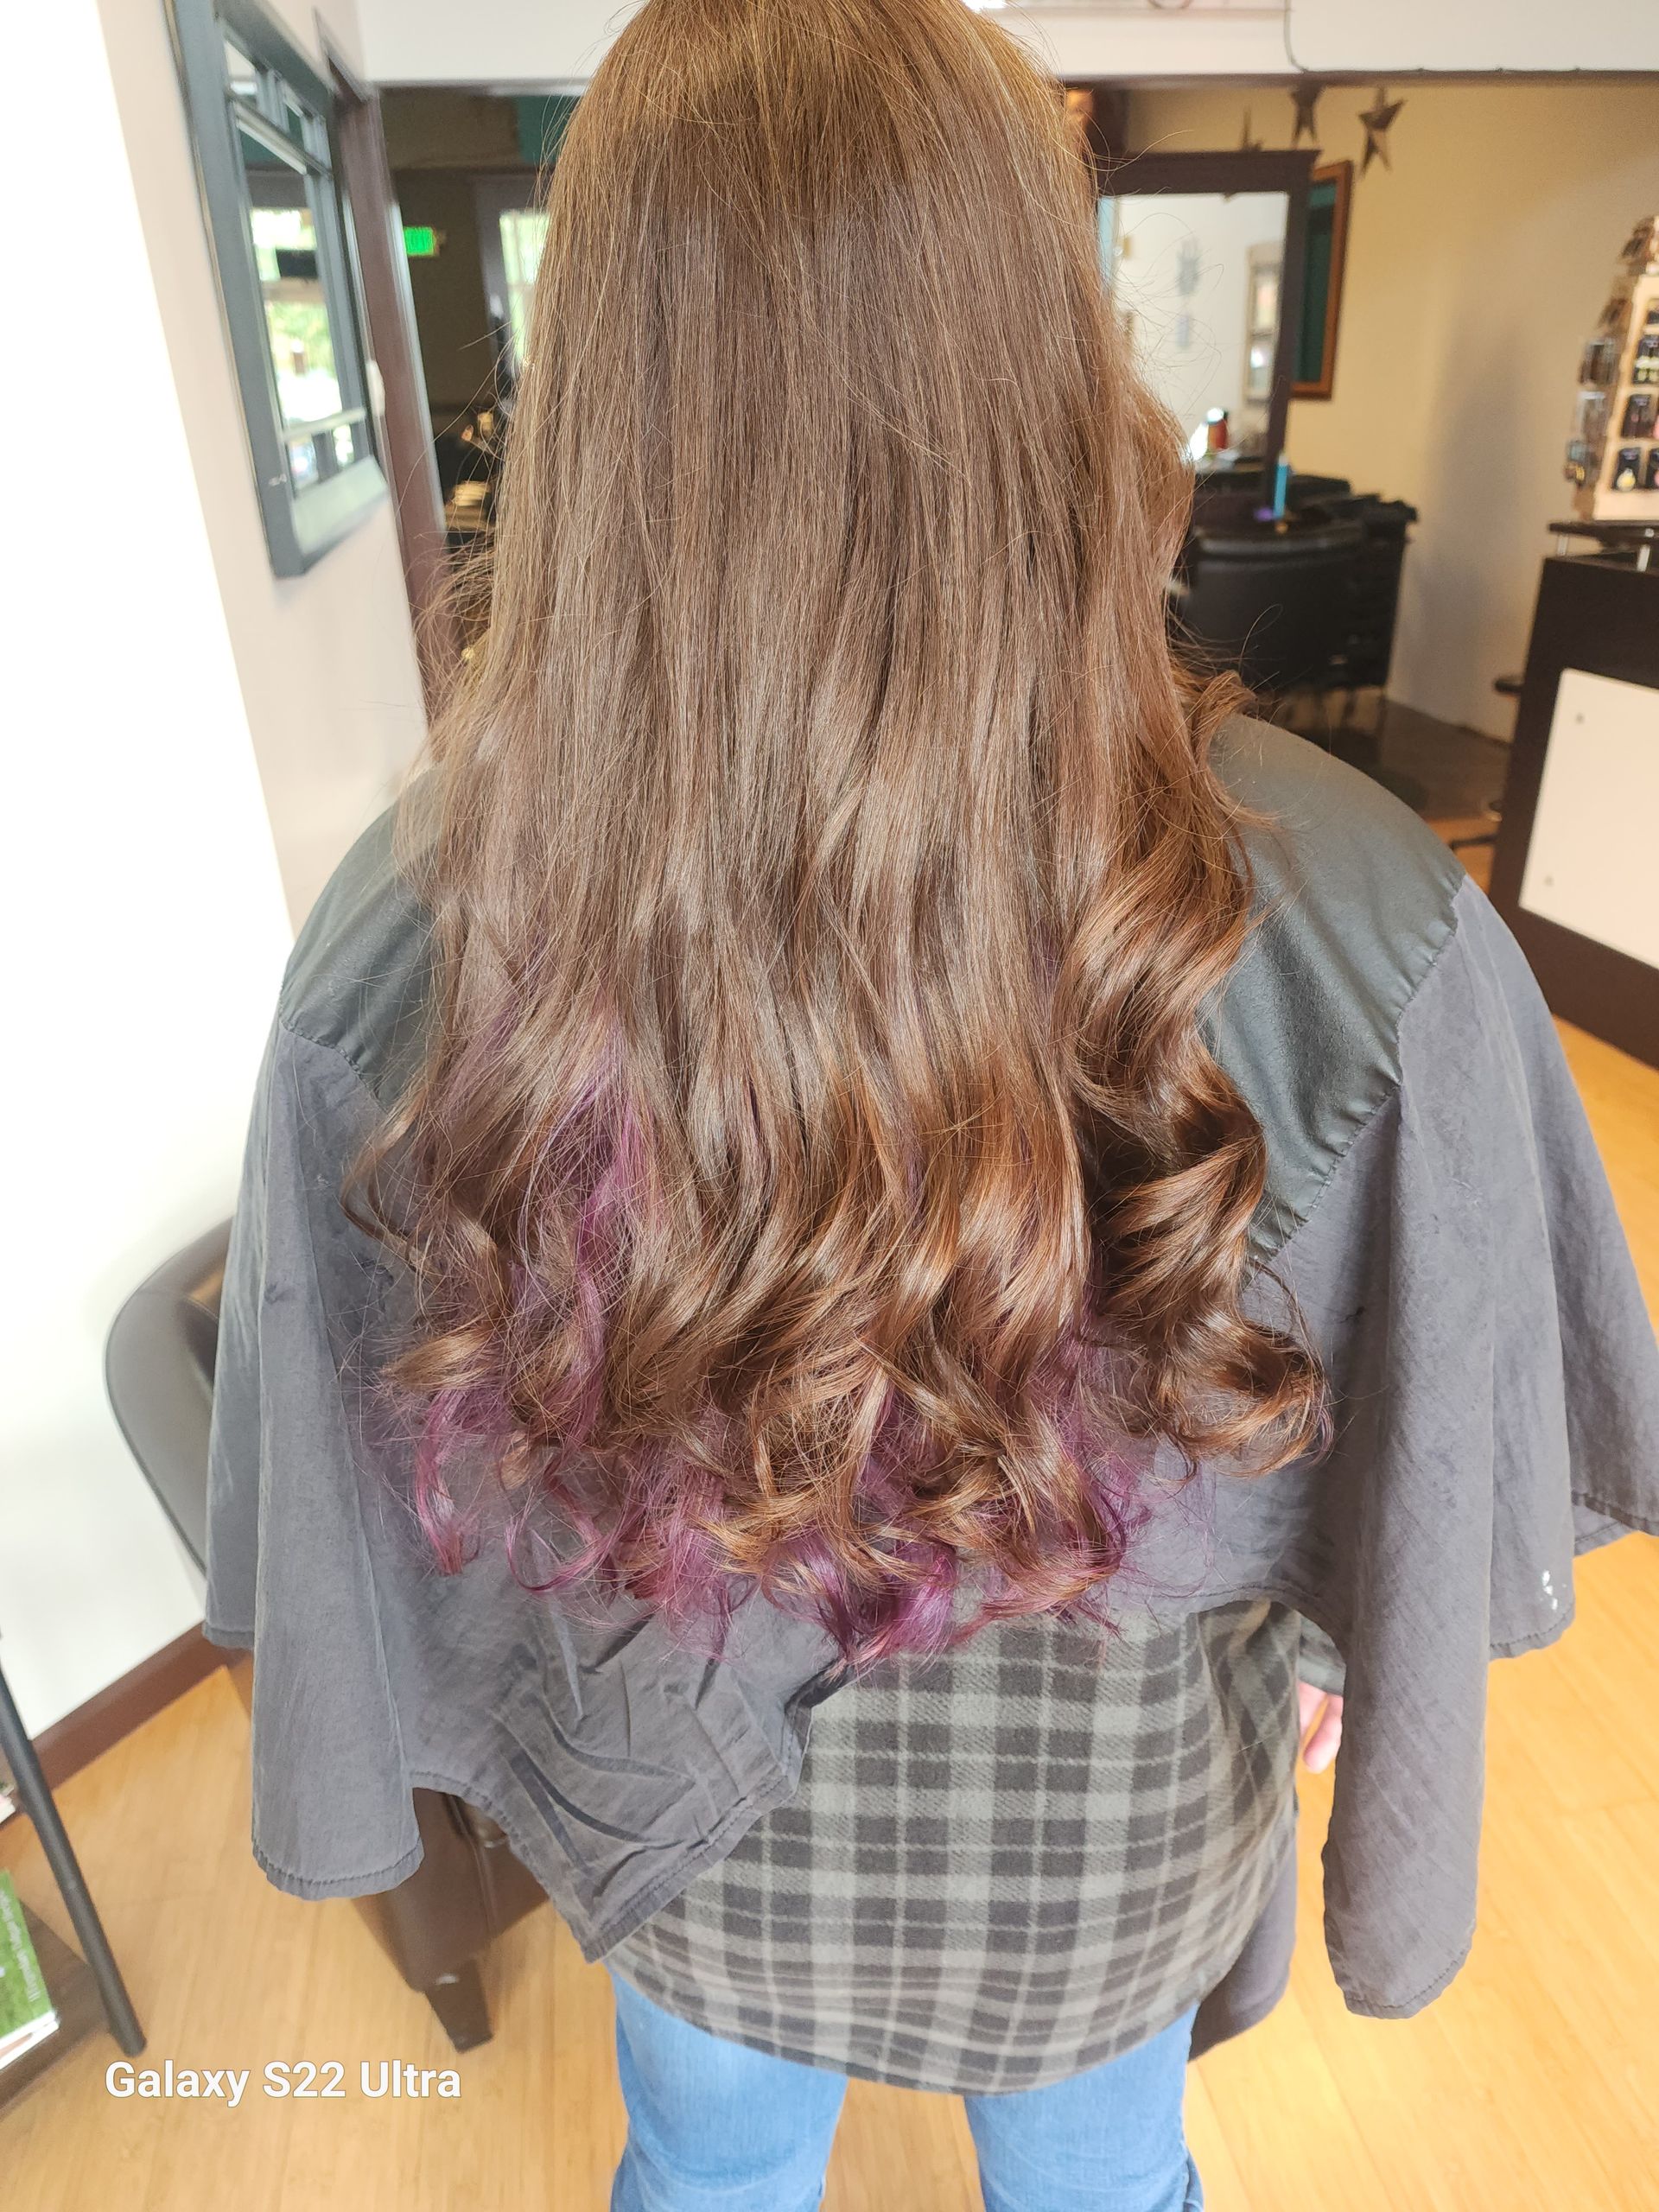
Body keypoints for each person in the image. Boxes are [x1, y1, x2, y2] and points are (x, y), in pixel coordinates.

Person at [203, 4, 1659, 2209]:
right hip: (1102, 1845)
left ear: (597, 410)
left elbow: (378, 1525)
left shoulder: (405, 947)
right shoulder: (1363, 918)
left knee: (708, 2176)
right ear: (1055, 374)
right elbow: (1424, 1481)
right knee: (1096, 2189)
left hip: (679, 1814)